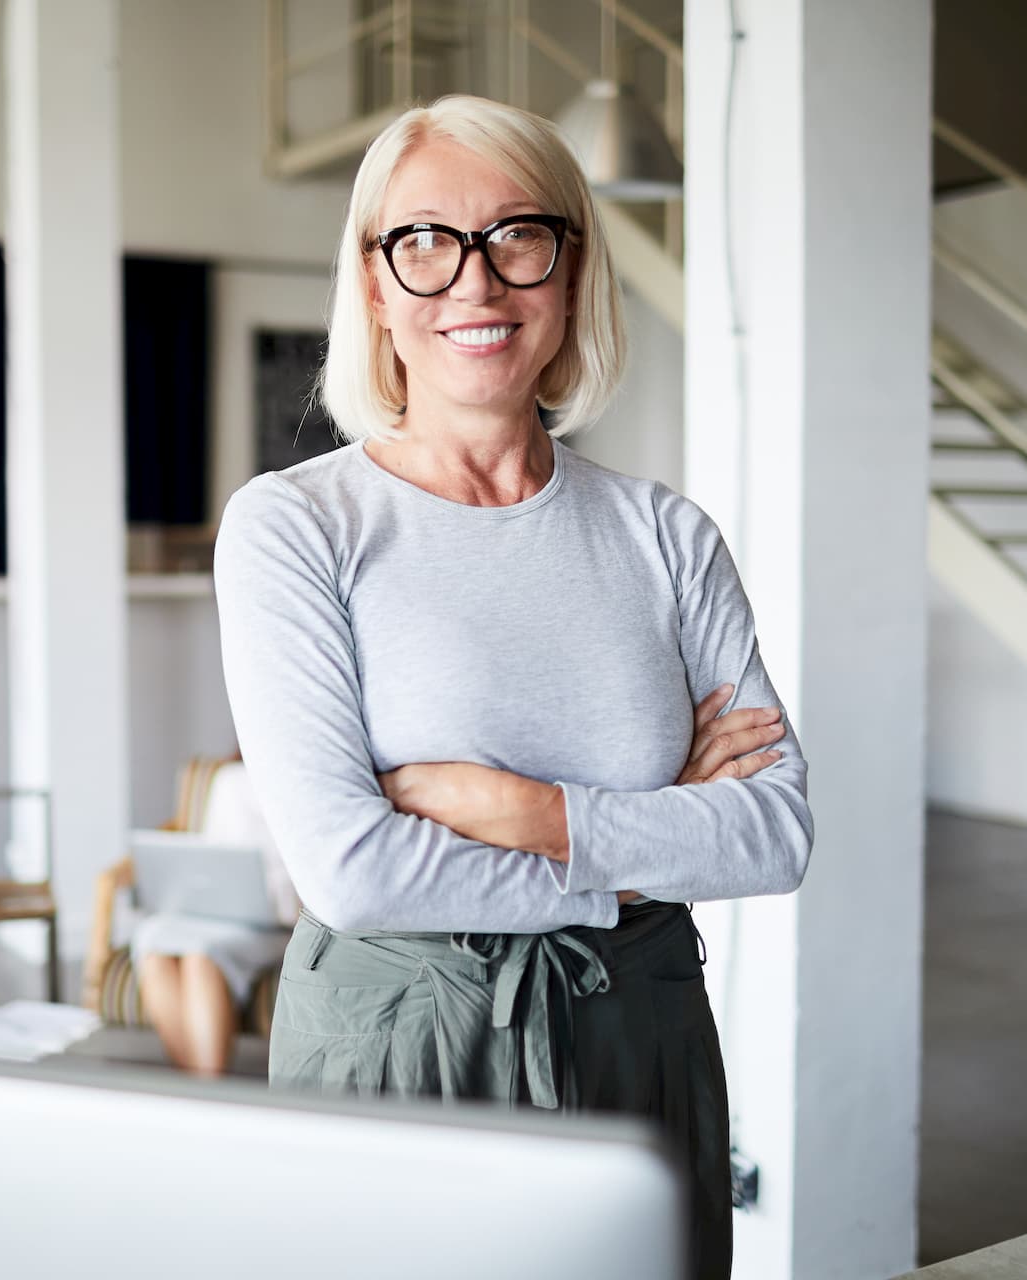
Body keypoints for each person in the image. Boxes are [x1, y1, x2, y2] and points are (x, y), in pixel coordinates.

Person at [213, 95, 813, 1279]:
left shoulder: (663, 535)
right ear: (376, 285)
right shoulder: (295, 526)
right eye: (425, 241)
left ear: (570, 269)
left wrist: (518, 807)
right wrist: (635, 856)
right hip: (400, 1041)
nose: (475, 285)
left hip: (638, 1038)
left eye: (518, 237)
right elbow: (352, 866)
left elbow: (773, 832)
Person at [132, 759, 298, 1076]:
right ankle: (197, 1089)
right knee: (152, 942)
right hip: (216, 912)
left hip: (276, 919)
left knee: (201, 956)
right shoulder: (228, 781)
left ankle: (209, 1090)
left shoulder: (300, 773)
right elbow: (212, 854)